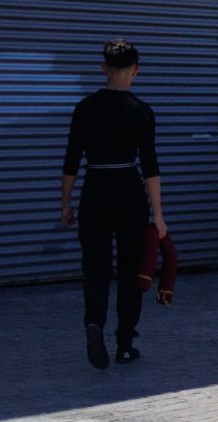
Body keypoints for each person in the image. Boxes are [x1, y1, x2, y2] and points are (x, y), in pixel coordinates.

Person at [61, 38, 165, 369]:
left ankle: (94, 321)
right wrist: (159, 215)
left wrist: (66, 202)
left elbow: (71, 160)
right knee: (131, 269)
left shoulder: (85, 108)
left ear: (103, 68)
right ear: (136, 70)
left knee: (95, 266)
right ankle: (124, 342)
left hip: (95, 188)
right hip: (129, 190)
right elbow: (150, 166)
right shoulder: (142, 111)